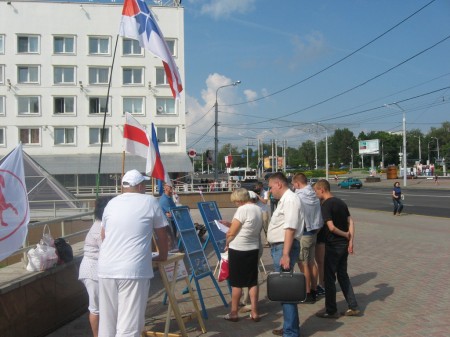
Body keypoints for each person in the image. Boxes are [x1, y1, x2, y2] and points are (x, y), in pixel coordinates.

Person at [97, 169, 169, 337]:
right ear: (139, 186)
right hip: (133, 269)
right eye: (143, 184)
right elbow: (161, 234)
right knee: (129, 324)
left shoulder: (111, 203)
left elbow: (103, 235)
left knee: (107, 322)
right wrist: (163, 255)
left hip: (106, 267)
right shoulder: (149, 201)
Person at [313, 179, 359, 318]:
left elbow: (331, 227)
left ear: (322, 189)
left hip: (333, 245)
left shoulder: (326, 205)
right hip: (344, 245)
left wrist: (345, 234)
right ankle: (353, 306)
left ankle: (331, 310)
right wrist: (350, 241)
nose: (315, 194)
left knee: (329, 277)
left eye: (316, 191)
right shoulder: (341, 202)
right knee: (343, 275)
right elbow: (350, 221)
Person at [267, 173, 304, 337]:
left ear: (278, 184)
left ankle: (291, 332)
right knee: (284, 291)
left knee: (286, 291)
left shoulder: (290, 199)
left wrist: (285, 254)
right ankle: (289, 327)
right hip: (281, 246)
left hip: (284, 247)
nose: (270, 190)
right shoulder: (286, 199)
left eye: (270, 187)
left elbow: (290, 228)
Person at [220, 188, 263, 323]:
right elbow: (246, 225)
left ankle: (234, 313)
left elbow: (232, 232)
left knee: (237, 283)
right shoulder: (257, 209)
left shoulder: (242, 209)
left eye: (235, 202)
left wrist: (227, 241)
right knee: (252, 282)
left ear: (239, 200)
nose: (235, 204)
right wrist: (230, 224)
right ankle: (255, 312)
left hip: (239, 249)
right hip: (253, 247)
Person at [78, 196, 113, 337]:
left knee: (101, 307)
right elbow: (107, 251)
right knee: (95, 308)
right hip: (91, 271)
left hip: (97, 269)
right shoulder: (99, 227)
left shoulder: (103, 224)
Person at [292, 173, 323, 304]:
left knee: (303, 264)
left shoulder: (298, 197)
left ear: (298, 184)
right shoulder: (314, 194)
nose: (293, 187)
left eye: (294, 184)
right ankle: (314, 289)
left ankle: (307, 293)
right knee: (311, 263)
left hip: (304, 233)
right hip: (314, 232)